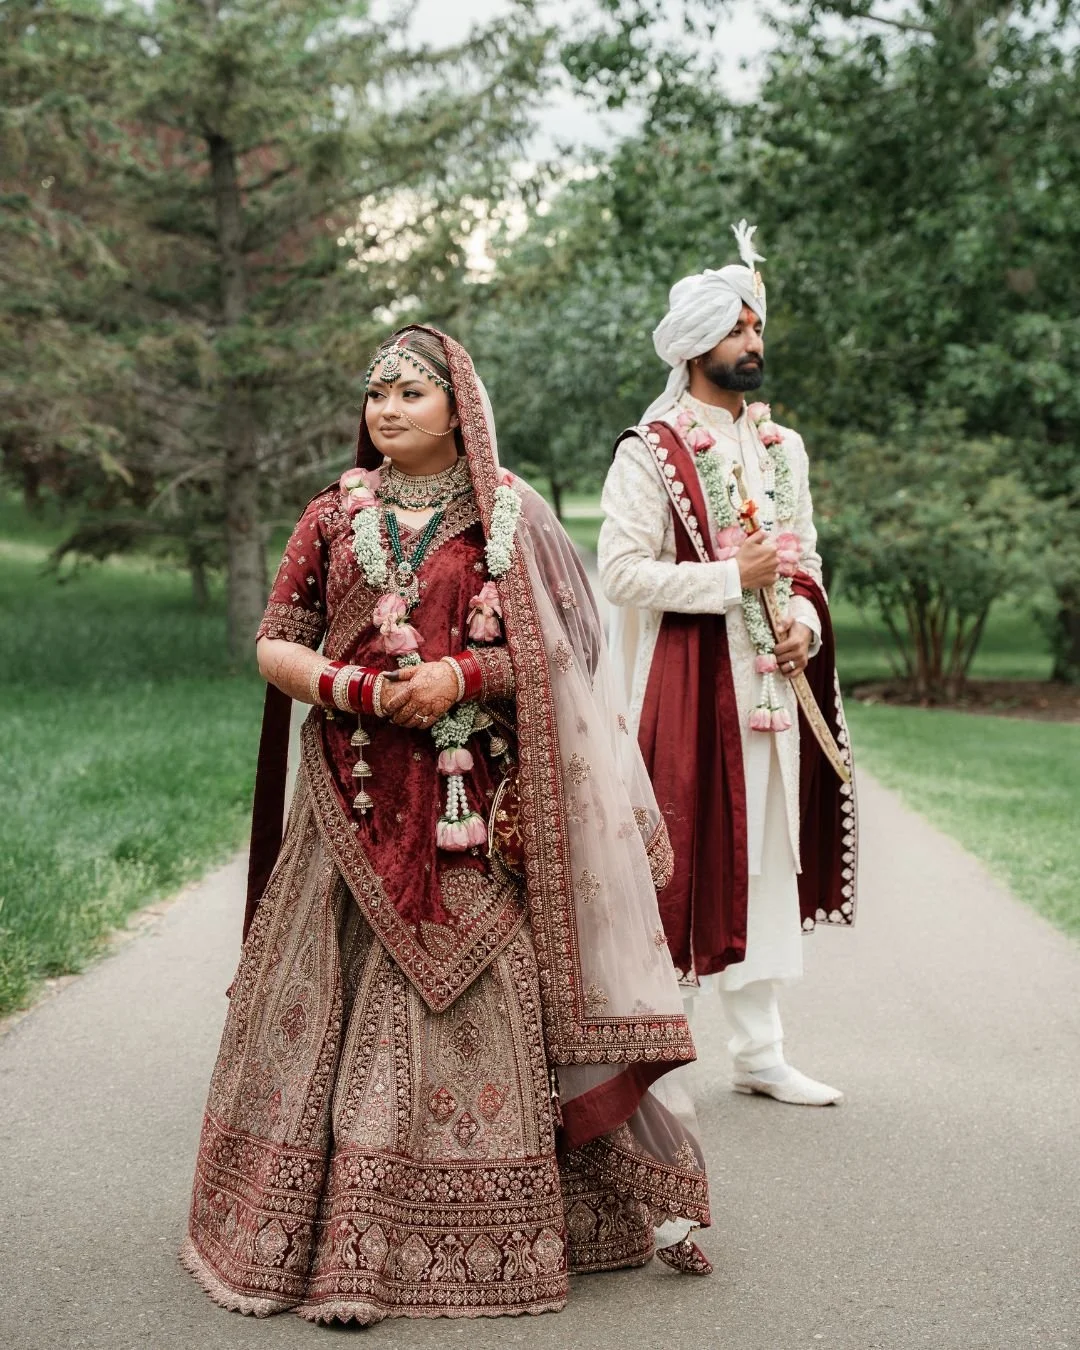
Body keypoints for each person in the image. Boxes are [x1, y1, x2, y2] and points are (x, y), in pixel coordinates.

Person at [181, 325, 712, 1326]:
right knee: (332, 998)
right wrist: (356, 688)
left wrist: (462, 675)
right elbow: (275, 643)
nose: (385, 408)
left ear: (457, 407)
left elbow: (570, 649)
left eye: (409, 393)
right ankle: (326, 1249)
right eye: (376, 392)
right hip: (353, 799)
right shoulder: (332, 520)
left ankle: (465, 1237)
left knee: (467, 998)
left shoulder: (510, 517)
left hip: (477, 815)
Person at [598, 224, 857, 1109]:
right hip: (686, 689)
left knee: (765, 862)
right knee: (684, 859)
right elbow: (622, 573)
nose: (755, 345)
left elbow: (809, 561)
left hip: (773, 690)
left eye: (758, 330)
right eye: (739, 330)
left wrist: (805, 634)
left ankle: (760, 1053)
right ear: (694, 344)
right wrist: (729, 579)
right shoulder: (651, 449)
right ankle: (660, 1065)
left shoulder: (784, 449)